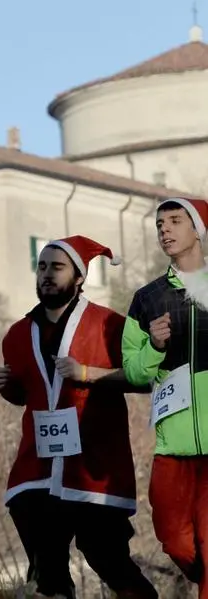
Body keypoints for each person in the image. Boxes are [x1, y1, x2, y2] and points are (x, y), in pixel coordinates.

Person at [0, 235, 157, 598]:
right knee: (45, 573)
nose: (47, 275)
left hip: (93, 468)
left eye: (58, 267)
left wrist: (90, 374)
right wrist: (7, 387)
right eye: (42, 267)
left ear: (79, 278)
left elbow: (146, 378)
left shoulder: (110, 325)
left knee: (107, 558)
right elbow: (27, 395)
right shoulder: (17, 334)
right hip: (36, 470)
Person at [123, 197, 208, 596]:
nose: (165, 230)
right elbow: (134, 369)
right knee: (174, 540)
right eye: (160, 224)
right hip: (171, 444)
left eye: (175, 221)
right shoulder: (147, 298)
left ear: (198, 230)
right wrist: (154, 346)